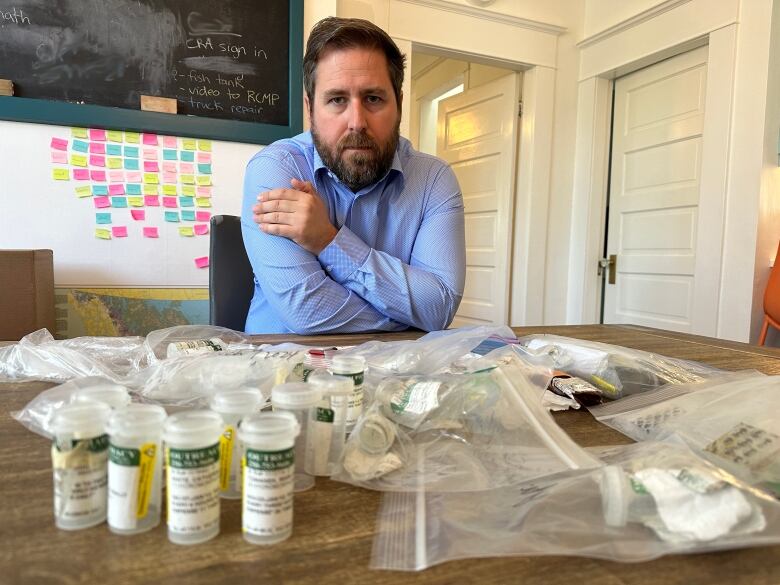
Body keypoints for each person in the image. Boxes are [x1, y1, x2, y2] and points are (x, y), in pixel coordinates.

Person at [241, 17, 465, 334]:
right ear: (310, 108)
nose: (357, 122)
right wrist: (409, 320)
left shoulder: (434, 180)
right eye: (337, 100)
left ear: (398, 104)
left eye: (373, 98)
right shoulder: (276, 168)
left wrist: (328, 241)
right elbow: (306, 311)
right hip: (283, 373)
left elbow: (439, 307)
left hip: (392, 374)